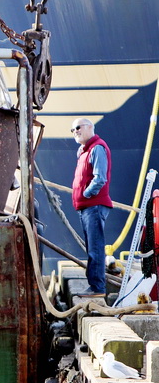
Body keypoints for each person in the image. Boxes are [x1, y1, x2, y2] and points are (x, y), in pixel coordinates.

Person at [71, 118, 112, 297]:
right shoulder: (85, 151)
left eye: (78, 127)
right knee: (92, 248)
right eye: (72, 130)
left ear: (90, 127)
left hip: (93, 206)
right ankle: (95, 286)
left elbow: (100, 178)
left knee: (95, 248)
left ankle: (97, 288)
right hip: (87, 207)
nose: (75, 131)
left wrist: (86, 194)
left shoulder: (97, 148)